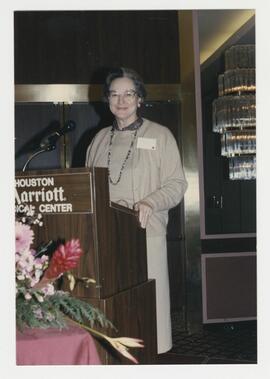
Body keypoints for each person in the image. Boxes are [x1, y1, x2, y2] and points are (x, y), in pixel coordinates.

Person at [85, 67, 188, 354]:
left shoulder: (160, 134)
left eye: (128, 93)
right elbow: (88, 188)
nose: (121, 100)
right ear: (107, 100)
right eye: (114, 94)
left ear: (139, 98)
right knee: (113, 312)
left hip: (145, 234)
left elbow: (177, 183)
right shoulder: (98, 139)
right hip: (106, 237)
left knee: (147, 315)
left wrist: (149, 201)